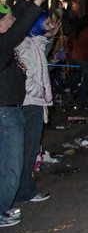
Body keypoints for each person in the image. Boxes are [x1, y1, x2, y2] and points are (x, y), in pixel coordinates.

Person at [0, 0, 47, 227]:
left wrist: (24, 1)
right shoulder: (4, 43)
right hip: (5, 111)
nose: (12, 20)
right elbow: (17, 30)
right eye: (8, 17)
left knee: (8, 163)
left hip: (10, 109)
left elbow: (14, 24)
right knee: (11, 164)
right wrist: (36, 6)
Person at [15, 11, 60, 205]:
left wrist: (50, 37)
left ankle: (23, 189)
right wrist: (40, 93)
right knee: (28, 149)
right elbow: (27, 78)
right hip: (30, 103)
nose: (50, 26)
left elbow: (41, 56)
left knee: (30, 148)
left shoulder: (33, 44)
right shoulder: (25, 47)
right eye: (47, 23)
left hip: (35, 102)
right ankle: (24, 191)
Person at [66, 15, 88, 108]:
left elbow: (68, 44)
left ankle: (72, 98)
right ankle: (82, 100)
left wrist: (71, 53)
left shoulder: (76, 32)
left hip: (75, 57)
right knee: (86, 80)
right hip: (87, 58)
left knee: (75, 78)